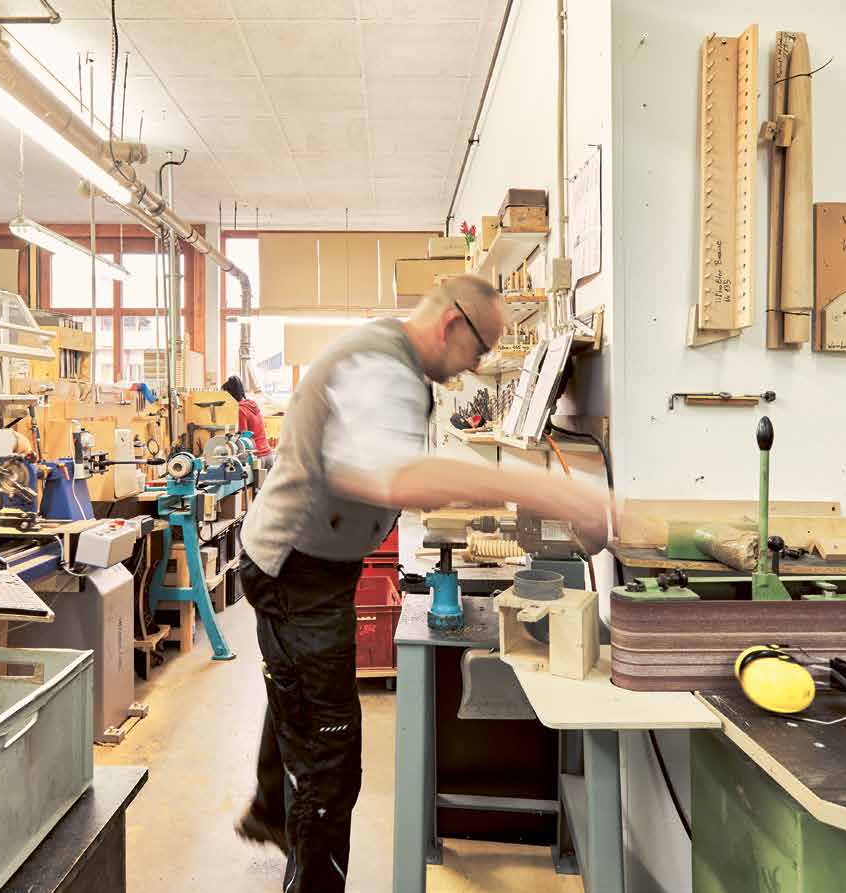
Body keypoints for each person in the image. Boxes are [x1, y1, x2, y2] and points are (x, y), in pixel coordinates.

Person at [234, 274, 612, 892]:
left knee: (298, 695)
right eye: (479, 349)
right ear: (451, 323)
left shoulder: (395, 359)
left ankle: (271, 808)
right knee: (331, 766)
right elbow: (396, 479)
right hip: (296, 571)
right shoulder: (382, 367)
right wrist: (547, 491)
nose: (476, 366)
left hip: (312, 563)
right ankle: (295, 831)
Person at [222, 374, 274, 471]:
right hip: (268, 454)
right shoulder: (252, 404)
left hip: (257, 458)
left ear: (231, 395)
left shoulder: (240, 410)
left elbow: (244, 439)